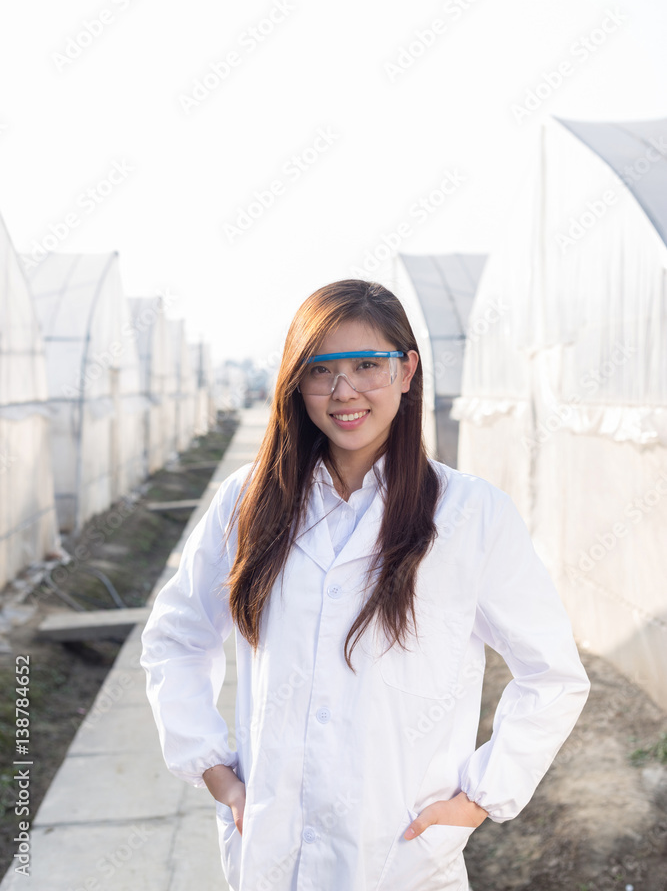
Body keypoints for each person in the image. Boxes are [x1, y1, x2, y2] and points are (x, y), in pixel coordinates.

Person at [139, 278, 591, 891]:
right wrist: (216, 771)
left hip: (400, 856)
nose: (343, 391)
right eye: (321, 370)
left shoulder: (470, 514)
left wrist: (479, 799)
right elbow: (177, 638)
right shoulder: (249, 502)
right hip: (272, 852)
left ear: (407, 372)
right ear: (297, 383)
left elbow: (553, 675)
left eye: (367, 366)